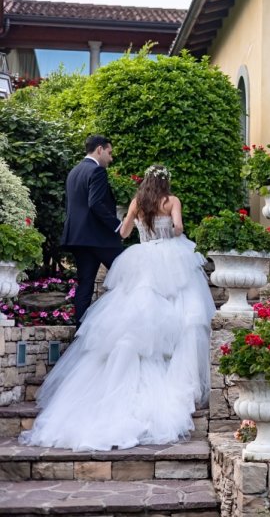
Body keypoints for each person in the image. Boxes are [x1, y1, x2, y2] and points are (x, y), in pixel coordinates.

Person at [20, 165, 215, 451]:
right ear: (165, 182)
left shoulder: (138, 202)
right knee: (181, 307)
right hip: (170, 255)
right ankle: (170, 358)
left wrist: (136, 225)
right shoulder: (171, 201)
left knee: (136, 303)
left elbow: (123, 232)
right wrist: (169, 228)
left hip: (143, 257)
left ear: (146, 182)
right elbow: (179, 229)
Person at [61, 135, 124, 324]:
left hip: (78, 238)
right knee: (128, 275)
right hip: (99, 238)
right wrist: (118, 225)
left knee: (85, 284)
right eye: (109, 153)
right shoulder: (97, 171)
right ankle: (122, 323)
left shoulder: (74, 171)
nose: (111, 158)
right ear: (99, 149)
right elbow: (95, 203)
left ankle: (80, 331)